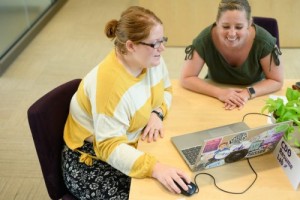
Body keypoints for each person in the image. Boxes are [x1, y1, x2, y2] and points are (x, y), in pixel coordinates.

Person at [61, 6, 191, 200]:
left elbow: (166, 89)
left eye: (163, 40)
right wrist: (155, 168)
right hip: (92, 159)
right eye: (156, 43)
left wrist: (157, 113)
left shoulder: (152, 60)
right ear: (130, 46)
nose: (162, 49)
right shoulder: (110, 86)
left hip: (129, 140)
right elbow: (108, 146)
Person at [180, 0, 284, 110]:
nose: (232, 33)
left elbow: (277, 81)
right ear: (217, 22)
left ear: (249, 23)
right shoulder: (204, 40)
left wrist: (247, 93)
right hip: (215, 92)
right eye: (225, 26)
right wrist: (220, 93)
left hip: (256, 93)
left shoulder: (264, 42)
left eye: (239, 27)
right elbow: (186, 78)